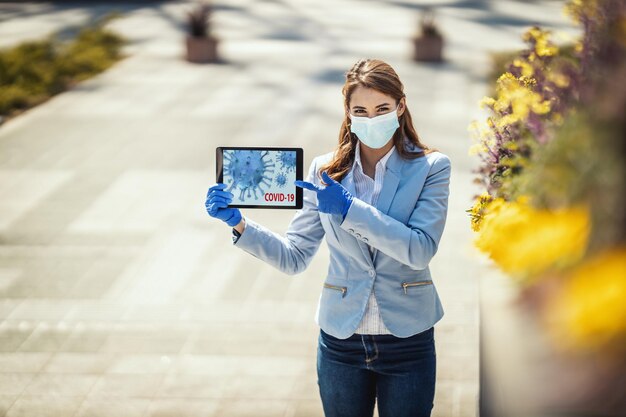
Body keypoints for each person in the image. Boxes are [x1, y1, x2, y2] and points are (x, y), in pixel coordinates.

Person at [205, 58, 451, 417]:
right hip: (340, 342)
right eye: (360, 111)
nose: (371, 119)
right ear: (348, 114)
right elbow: (294, 256)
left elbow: (419, 250)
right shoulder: (324, 171)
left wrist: (351, 210)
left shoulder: (432, 167)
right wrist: (240, 224)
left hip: (408, 341)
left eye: (382, 108)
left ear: (400, 106)